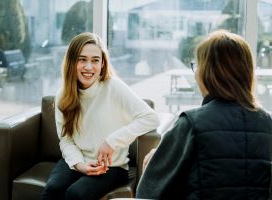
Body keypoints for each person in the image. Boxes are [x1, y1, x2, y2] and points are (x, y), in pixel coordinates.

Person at [136, 29, 272, 199]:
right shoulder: (267, 123)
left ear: (208, 72)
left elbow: (150, 193)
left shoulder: (192, 123)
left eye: (197, 66)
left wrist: (153, 163)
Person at [41, 32, 159, 200]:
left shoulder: (114, 87)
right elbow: (66, 140)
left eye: (95, 60)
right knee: (52, 191)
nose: (89, 67)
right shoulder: (63, 95)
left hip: (112, 167)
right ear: (72, 62)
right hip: (77, 161)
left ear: (103, 64)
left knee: (76, 195)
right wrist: (80, 165)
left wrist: (111, 142)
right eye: (82, 59)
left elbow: (151, 118)